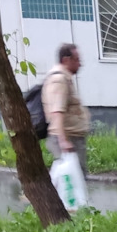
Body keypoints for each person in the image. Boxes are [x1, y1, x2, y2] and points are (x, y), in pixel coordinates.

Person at [42, 43, 90, 175]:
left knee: (73, 179)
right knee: (74, 180)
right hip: (67, 138)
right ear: (66, 60)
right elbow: (57, 111)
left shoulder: (64, 79)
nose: (80, 64)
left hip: (71, 137)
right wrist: (63, 141)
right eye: (77, 60)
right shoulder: (59, 80)